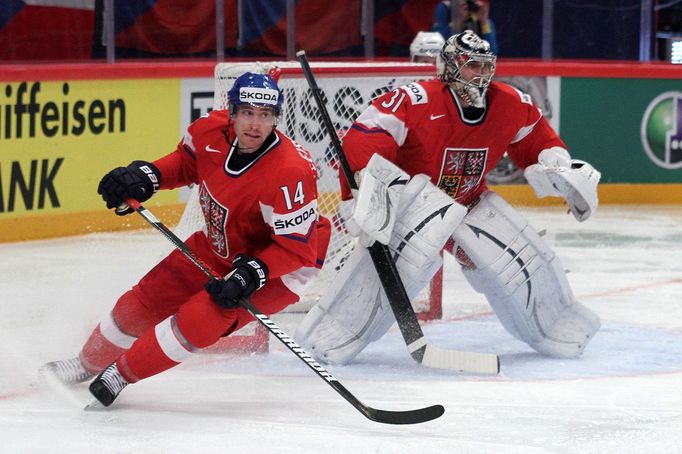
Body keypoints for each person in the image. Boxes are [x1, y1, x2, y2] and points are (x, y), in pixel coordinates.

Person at [295, 31, 601, 365]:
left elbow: (535, 137)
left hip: (471, 203)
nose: (482, 74)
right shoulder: (416, 99)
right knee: (387, 278)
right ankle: (326, 339)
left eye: (487, 66)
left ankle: (560, 328)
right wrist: (361, 193)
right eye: (473, 66)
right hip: (416, 207)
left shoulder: (510, 102)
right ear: (453, 65)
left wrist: (554, 164)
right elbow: (366, 137)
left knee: (521, 264)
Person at [40, 72, 331, 407]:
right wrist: (146, 176)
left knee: (205, 316)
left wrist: (252, 274)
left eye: (265, 115)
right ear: (232, 112)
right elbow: (186, 164)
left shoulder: (290, 171)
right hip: (220, 244)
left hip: (280, 267)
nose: (255, 124)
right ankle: (85, 363)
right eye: (248, 113)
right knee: (142, 303)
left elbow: (297, 249)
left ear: (275, 119)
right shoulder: (210, 130)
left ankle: (120, 374)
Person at [432, 0, 498, 54]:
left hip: (474, 60)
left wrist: (484, 22)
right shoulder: (445, 8)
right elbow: (437, 45)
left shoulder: (479, 15)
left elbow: (492, 52)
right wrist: (458, 21)